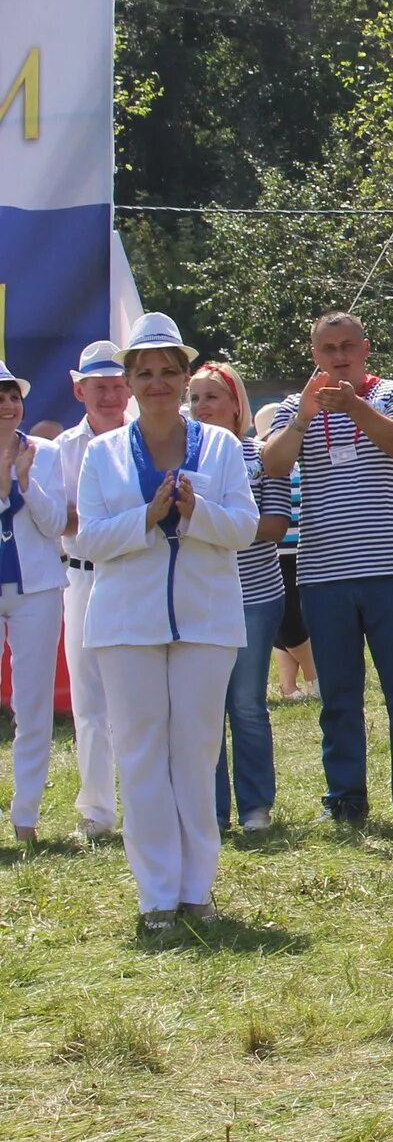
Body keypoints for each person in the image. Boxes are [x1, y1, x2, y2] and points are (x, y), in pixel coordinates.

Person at [76, 315, 259, 928]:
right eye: (144, 372)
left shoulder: (222, 445)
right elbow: (90, 539)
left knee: (197, 751)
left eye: (168, 371)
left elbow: (244, 527)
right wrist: (148, 517)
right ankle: (156, 895)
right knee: (140, 753)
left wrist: (195, 509)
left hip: (206, 619)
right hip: (126, 623)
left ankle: (195, 888)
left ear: (186, 376)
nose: (157, 382)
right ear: (127, 381)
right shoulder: (102, 454)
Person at [260, 312, 393, 825]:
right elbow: (273, 465)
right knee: (338, 696)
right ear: (314, 354)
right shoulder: (298, 404)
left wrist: (354, 407)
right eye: (327, 349)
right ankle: (345, 798)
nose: (338, 357)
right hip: (323, 576)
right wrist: (304, 417)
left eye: (347, 347)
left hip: (390, 569)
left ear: (365, 349)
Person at [189, 362, 292, 832]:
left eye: (211, 396)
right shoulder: (180, 456)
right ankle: (211, 810)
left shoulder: (259, 455)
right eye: (194, 398)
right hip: (198, 595)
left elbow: (274, 526)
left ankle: (255, 807)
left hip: (254, 594)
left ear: (236, 403)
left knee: (246, 703)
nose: (201, 407)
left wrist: (208, 522)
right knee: (204, 705)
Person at [54, 339, 132, 839]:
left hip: (131, 573)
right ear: (78, 389)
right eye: (98, 387)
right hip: (80, 575)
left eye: (116, 386)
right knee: (89, 699)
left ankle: (145, 804)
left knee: (140, 694)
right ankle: (98, 812)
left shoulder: (142, 438)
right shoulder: (62, 448)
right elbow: (59, 518)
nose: (109, 396)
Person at [0, 363, 69, 841]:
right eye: (0, 397)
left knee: (33, 704)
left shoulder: (43, 453)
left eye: (13, 397)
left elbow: (55, 523)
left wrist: (27, 482)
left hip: (38, 588)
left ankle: (26, 818)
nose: (8, 406)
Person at [257, 404, 316, 703]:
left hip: (298, 549)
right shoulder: (266, 461)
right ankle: (288, 685)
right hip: (275, 551)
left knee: (290, 619)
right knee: (283, 622)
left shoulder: (297, 461)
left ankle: (315, 675)